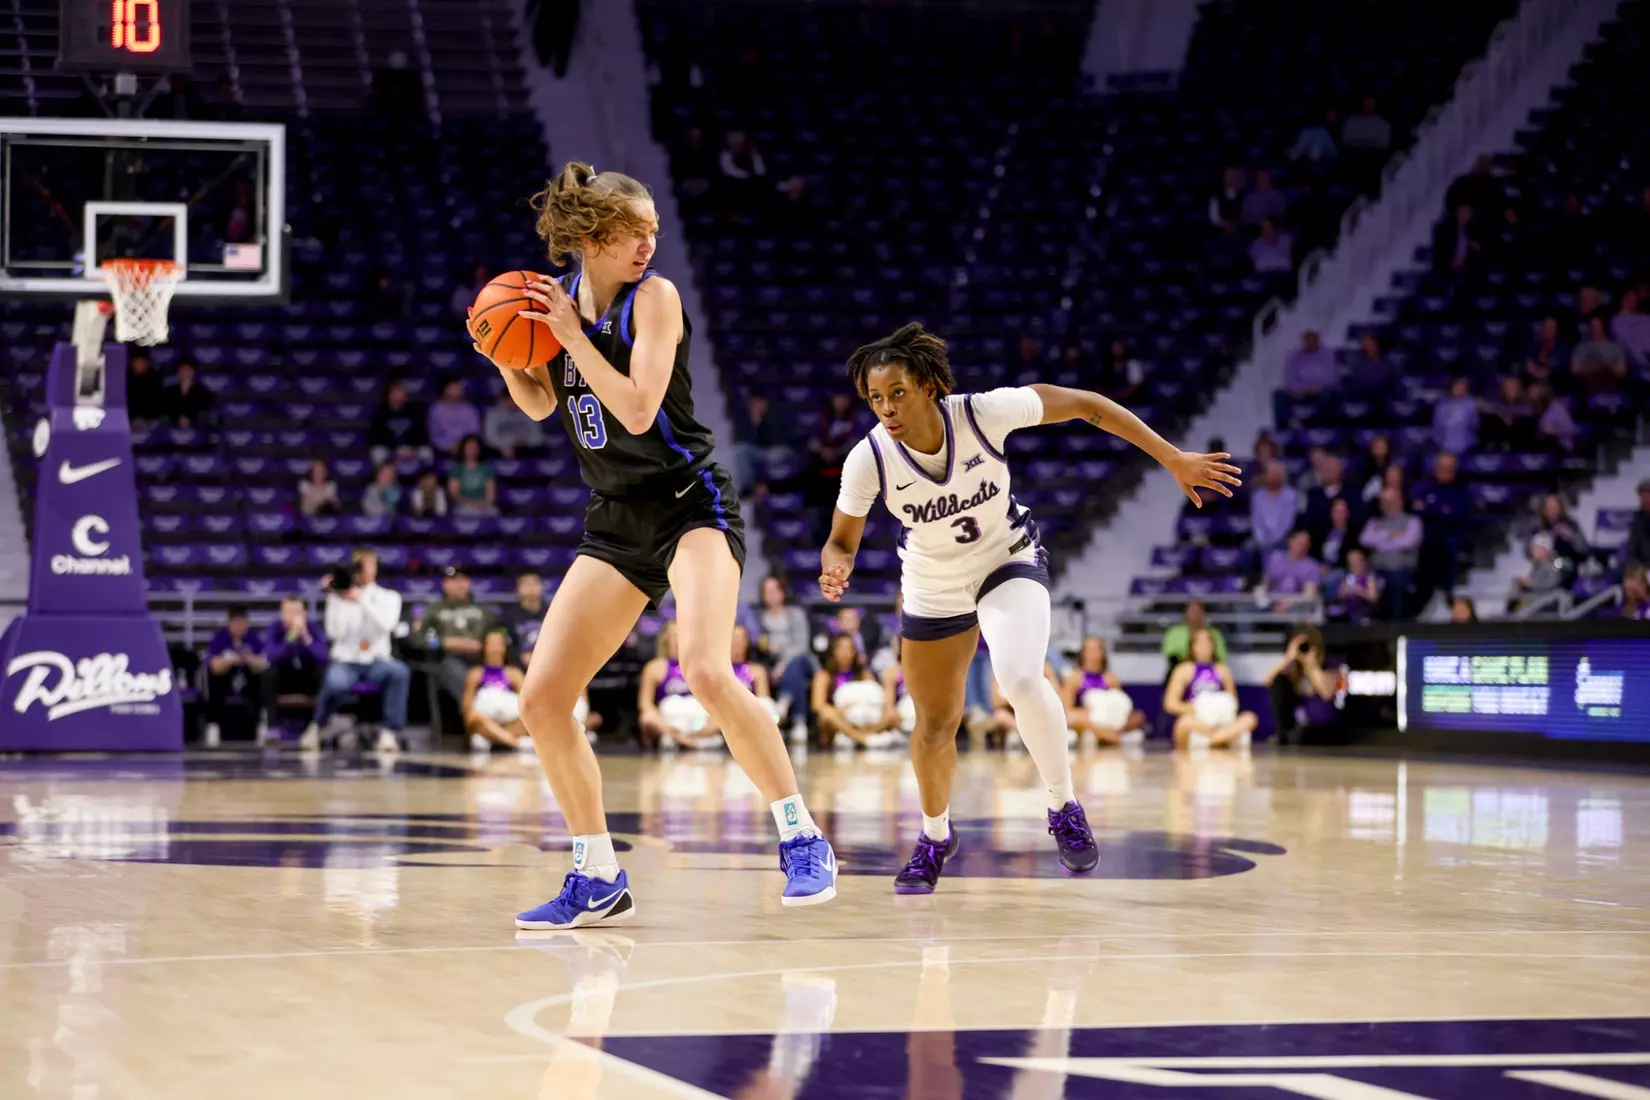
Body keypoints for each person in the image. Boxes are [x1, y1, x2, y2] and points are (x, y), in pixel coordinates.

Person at [471, 161, 836, 926]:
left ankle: (801, 836)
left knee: (704, 668)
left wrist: (571, 338)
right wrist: (506, 356)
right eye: (633, 233)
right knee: (542, 700)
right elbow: (538, 403)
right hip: (617, 514)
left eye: (653, 232)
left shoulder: (655, 299)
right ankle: (597, 873)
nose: (647, 245)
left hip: (688, 501)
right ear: (590, 238)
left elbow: (638, 410)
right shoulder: (556, 302)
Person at [820, 322, 1239, 892]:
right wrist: (837, 564)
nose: (886, 408)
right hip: (932, 585)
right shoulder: (867, 458)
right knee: (934, 724)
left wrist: (1171, 458)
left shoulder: (982, 414)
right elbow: (841, 540)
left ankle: (1063, 806)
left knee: (1019, 677)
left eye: (897, 392)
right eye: (875, 398)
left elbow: (1088, 406)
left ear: (927, 387)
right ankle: (935, 836)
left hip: (1006, 560)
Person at [303, 550, 409, 754]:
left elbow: (387, 625)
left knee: (399, 672)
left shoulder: (389, 597)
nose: (366, 570)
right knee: (336, 683)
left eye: (370, 564)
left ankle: (389, 731)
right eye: (361, 565)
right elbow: (334, 632)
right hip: (347, 660)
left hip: (377, 660)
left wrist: (361, 600)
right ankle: (317, 726)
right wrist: (342, 599)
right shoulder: (337, 598)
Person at [1164, 628, 1257, 750]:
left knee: (1249, 718)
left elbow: (1234, 703)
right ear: (1192, 646)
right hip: (1196, 719)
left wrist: (1217, 711)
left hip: (1221, 719)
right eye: (1200, 643)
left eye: (1207, 643)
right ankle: (1220, 739)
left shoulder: (1223, 670)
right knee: (1183, 723)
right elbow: (1170, 704)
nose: (1204, 647)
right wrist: (1199, 709)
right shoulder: (1183, 670)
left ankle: (1213, 740)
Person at [419, 566, 497, 706]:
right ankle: (475, 711)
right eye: (454, 581)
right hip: (449, 659)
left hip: (482, 657)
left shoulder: (483, 610)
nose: (459, 585)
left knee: (508, 671)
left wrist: (486, 644)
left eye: (463, 580)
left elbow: (501, 632)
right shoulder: (434, 610)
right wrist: (444, 642)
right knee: (456, 671)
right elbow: (418, 639)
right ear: (445, 584)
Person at [754, 573, 815, 732]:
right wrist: (767, 647)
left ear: (783, 592)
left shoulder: (796, 614)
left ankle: (783, 704)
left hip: (801, 659)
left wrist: (783, 662)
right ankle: (799, 722)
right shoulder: (759, 618)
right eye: (767, 591)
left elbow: (801, 645)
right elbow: (758, 641)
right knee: (797, 676)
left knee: (796, 664)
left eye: (775, 590)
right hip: (770, 662)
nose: (772, 595)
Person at [1060, 636, 1146, 748]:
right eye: (1089, 650)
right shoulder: (1073, 678)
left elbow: (1119, 706)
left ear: (1103, 653)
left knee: (1138, 716)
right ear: (1083, 653)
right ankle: (1109, 736)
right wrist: (1087, 713)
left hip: (1108, 719)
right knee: (1072, 718)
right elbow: (1067, 710)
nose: (1093, 654)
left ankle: (1103, 734)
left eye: (1096, 650)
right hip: (1086, 718)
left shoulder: (1112, 678)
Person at [262, 595, 327, 739]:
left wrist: (306, 637)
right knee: (268, 673)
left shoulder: (314, 628)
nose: (291, 616)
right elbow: (272, 656)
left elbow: (323, 657)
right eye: (287, 612)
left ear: (305, 614)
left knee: (324, 673)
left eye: (296, 612)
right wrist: (290, 638)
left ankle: (319, 726)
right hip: (284, 678)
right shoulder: (275, 628)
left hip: (307, 677)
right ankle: (272, 727)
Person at [205, 605, 269, 745]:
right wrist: (230, 660)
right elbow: (213, 664)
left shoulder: (253, 637)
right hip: (225, 679)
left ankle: (261, 726)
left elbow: (263, 663)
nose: (239, 628)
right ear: (229, 623)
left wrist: (247, 658)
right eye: (236, 624)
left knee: (262, 679)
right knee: (213, 680)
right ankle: (213, 726)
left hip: (248, 679)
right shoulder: (220, 637)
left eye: (242, 624)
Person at [1265, 625, 1339, 746]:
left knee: (1307, 734)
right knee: (1278, 681)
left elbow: (1327, 693)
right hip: (1300, 723)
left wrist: (1312, 666)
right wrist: (1288, 658)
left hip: (1323, 726)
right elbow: (1268, 682)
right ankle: (1282, 734)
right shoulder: (1293, 668)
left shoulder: (1328, 664)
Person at [810, 632, 884, 750]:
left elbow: (876, 696)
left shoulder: (864, 674)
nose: (845, 652)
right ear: (832, 651)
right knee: (826, 716)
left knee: (890, 714)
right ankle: (860, 738)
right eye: (841, 648)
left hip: (863, 716)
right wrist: (841, 710)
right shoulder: (823, 676)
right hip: (838, 719)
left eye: (849, 648)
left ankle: (867, 735)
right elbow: (817, 705)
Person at [462, 629, 529, 752]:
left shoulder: (514, 674)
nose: (495, 648)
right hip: (485, 722)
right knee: (473, 718)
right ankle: (514, 743)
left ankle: (494, 739)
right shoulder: (475, 674)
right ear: (484, 647)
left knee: (528, 719)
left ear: (505, 648)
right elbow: (467, 707)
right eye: (491, 644)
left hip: (510, 722)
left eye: (499, 644)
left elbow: (526, 704)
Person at [369, 379, 430, 466]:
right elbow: (377, 437)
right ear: (389, 394)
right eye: (396, 392)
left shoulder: (415, 411)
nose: (400, 394)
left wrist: (411, 449)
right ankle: (384, 474)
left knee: (426, 452)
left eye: (402, 391)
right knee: (377, 452)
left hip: (411, 448)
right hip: (390, 448)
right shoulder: (380, 412)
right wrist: (396, 449)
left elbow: (421, 434)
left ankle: (426, 474)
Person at [1161, 599, 1227, 676]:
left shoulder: (1214, 634)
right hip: (1180, 669)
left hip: (1208, 671)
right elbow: (1170, 653)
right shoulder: (1175, 632)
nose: (1195, 615)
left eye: (1198, 611)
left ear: (1203, 613)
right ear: (1186, 613)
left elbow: (1221, 656)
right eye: (1192, 611)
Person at [498, 571, 548, 660]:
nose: (531, 588)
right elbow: (508, 644)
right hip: (519, 662)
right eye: (526, 584)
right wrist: (520, 656)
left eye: (534, 584)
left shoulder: (552, 612)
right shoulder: (508, 617)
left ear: (541, 587)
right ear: (518, 589)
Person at [427, 377, 482, 456]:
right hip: (442, 451)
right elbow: (434, 437)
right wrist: (448, 446)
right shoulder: (435, 410)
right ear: (446, 389)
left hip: (467, 452)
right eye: (455, 387)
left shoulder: (470, 410)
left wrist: (462, 447)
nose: (459, 390)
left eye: (460, 387)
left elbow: (473, 434)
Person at [483, 389, 546, 458]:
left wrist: (522, 440)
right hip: (500, 449)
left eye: (515, 399)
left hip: (526, 448)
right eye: (510, 399)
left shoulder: (529, 413)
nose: (513, 402)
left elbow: (538, 438)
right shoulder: (493, 414)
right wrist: (506, 443)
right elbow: (489, 438)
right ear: (503, 399)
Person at [447, 434, 497, 514]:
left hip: (483, 505)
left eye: (474, 447)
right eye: (469, 447)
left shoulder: (487, 468)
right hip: (463, 505)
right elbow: (454, 494)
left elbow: (490, 495)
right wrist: (469, 504)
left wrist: (482, 505)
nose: (471, 450)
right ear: (463, 449)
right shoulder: (457, 469)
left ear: (479, 449)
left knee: (493, 512)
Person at [165, 358, 214, 430]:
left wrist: (189, 418)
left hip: (195, 421)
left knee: (205, 417)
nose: (185, 373)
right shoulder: (171, 390)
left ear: (193, 372)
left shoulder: (201, 390)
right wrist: (178, 418)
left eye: (188, 370)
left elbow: (203, 407)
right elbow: (168, 407)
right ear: (178, 372)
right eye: (183, 370)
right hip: (175, 421)